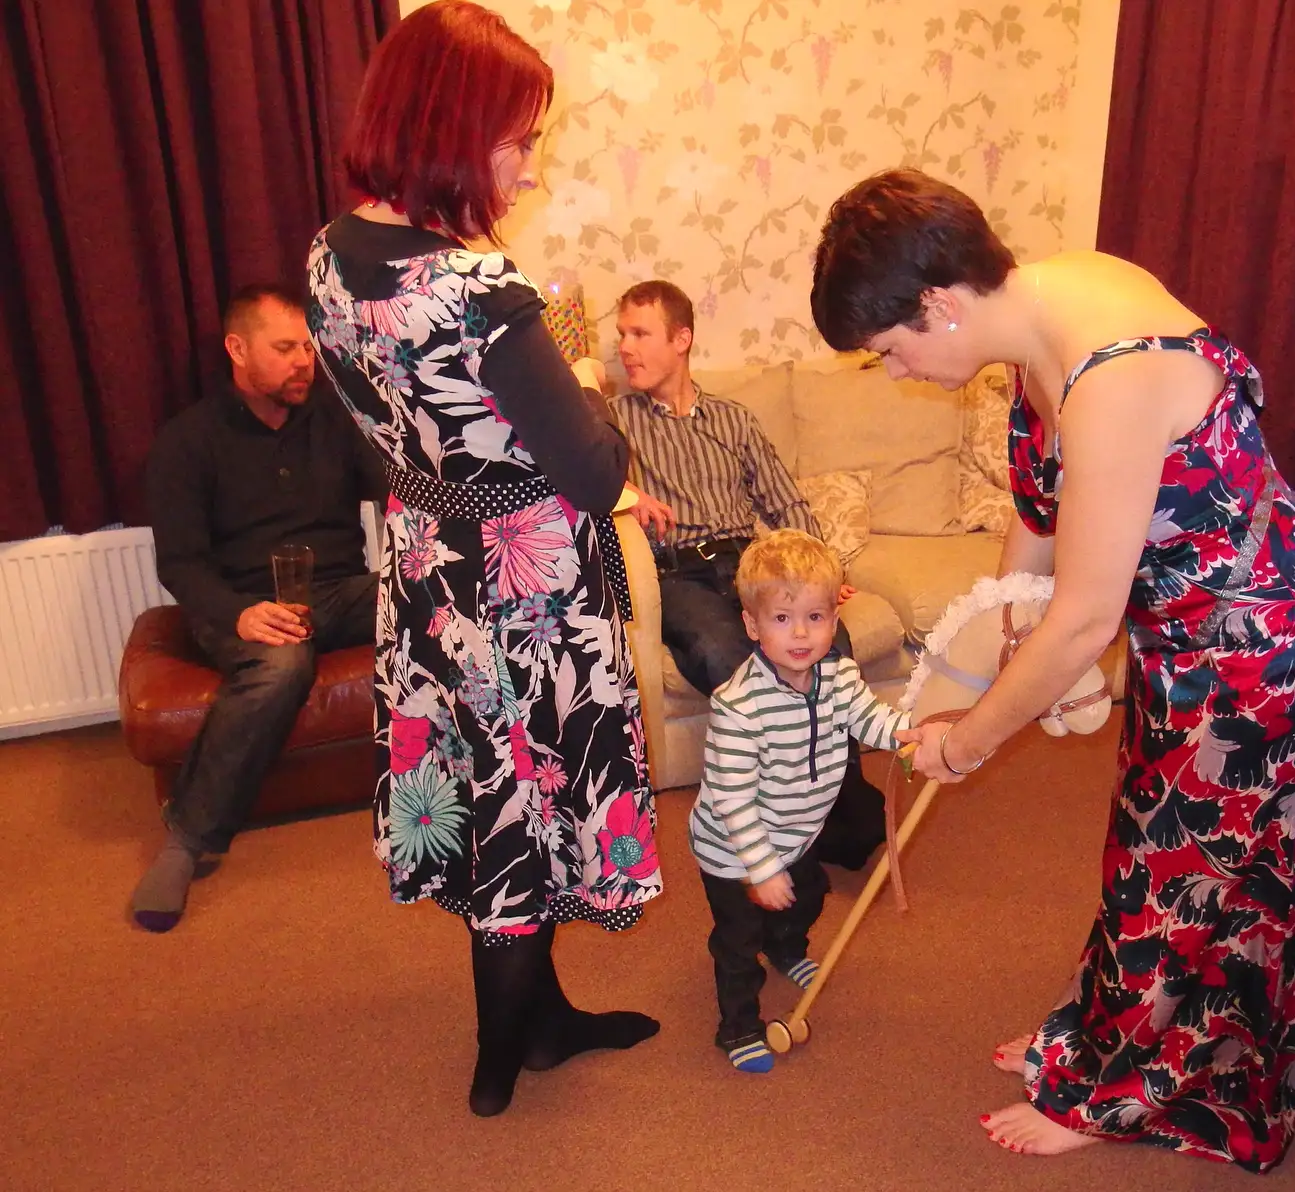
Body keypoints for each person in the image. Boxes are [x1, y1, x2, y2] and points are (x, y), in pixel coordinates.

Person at [811, 169, 1295, 1171]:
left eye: (889, 351)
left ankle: (1116, 1093)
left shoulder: (1110, 377)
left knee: (1187, 873)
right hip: (1189, 630)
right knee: (1146, 853)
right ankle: (1098, 1041)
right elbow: (1040, 515)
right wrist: (998, 638)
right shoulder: (1035, 318)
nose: (895, 373)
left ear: (936, 304)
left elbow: (1085, 619)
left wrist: (970, 741)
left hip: (1260, 637)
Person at [306, 0, 659, 1118]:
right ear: (451, 130)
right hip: (526, 584)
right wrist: (586, 378)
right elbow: (597, 470)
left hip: (428, 560)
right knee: (522, 798)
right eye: (519, 139)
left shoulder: (329, 258)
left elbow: (386, 414)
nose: (530, 165)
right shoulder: (482, 292)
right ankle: (503, 1052)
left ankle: (541, 1018)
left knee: (491, 782)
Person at [131, 283, 386, 934]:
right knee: (282, 666)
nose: (304, 361)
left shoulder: (333, 419)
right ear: (238, 349)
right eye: (285, 348)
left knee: (440, 607)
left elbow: (394, 485)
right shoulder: (187, 442)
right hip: (243, 604)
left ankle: (473, 784)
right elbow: (179, 563)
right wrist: (240, 614)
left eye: (307, 346)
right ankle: (187, 840)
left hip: (338, 589)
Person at [611, 279, 887, 871]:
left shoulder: (733, 421)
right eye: (621, 335)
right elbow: (578, 481)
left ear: (681, 339)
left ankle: (837, 814)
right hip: (678, 574)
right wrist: (624, 493)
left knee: (827, 649)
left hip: (748, 564)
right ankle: (767, 819)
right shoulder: (615, 426)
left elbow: (784, 503)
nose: (626, 348)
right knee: (726, 657)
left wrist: (817, 572)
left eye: (640, 334)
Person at [688, 530, 910, 1073]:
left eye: (815, 617)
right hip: (734, 851)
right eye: (782, 620)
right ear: (752, 625)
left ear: (834, 620)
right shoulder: (739, 706)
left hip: (797, 833)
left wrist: (910, 734)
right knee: (738, 944)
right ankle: (737, 1027)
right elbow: (733, 799)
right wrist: (760, 869)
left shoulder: (838, 674)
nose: (801, 634)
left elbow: (870, 718)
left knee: (807, 896)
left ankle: (787, 948)